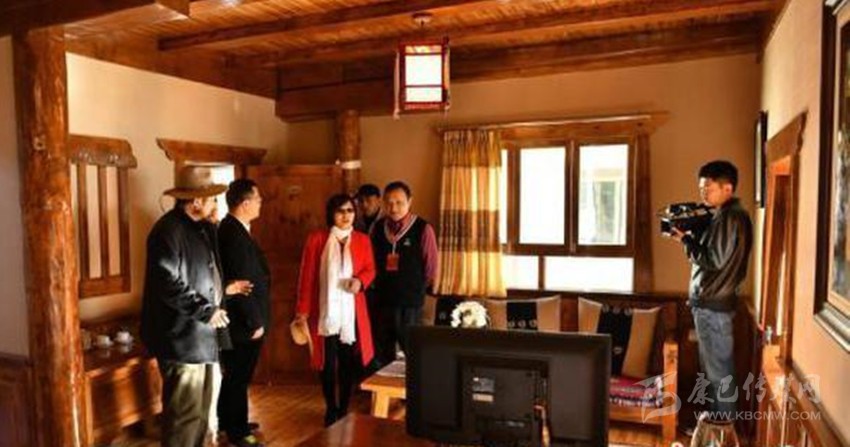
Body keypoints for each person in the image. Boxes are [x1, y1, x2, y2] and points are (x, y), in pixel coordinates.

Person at [141, 166, 251, 447]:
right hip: (182, 340)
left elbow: (206, 275)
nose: (216, 204)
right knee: (184, 419)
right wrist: (206, 311)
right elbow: (167, 282)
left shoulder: (202, 228)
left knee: (204, 418)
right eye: (212, 199)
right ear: (196, 201)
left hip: (205, 339)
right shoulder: (167, 231)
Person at [669, 160, 753, 419]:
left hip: (713, 307)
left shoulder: (730, 217)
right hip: (714, 304)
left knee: (719, 374)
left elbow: (714, 259)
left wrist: (686, 240)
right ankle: (716, 429)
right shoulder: (727, 215)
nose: (703, 193)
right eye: (701, 188)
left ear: (728, 188)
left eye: (708, 188)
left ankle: (724, 430)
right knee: (716, 372)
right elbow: (716, 254)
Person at [294, 194, 377, 426]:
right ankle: (331, 407)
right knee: (327, 362)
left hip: (351, 312)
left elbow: (371, 269)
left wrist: (360, 281)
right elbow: (307, 276)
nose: (345, 215)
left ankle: (344, 407)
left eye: (350, 210)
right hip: (324, 311)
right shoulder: (317, 239)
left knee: (348, 361)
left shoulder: (362, 240)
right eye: (340, 211)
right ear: (331, 214)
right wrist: (302, 310)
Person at [216, 179, 269, 447]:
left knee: (237, 375)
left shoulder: (236, 228)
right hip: (242, 321)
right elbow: (242, 283)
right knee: (238, 375)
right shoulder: (232, 233)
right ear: (245, 203)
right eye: (258, 199)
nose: (260, 203)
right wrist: (254, 321)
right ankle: (237, 431)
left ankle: (229, 420)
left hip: (243, 319)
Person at [371, 181, 438, 362]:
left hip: (409, 303)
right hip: (383, 300)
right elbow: (371, 261)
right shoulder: (378, 228)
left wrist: (417, 289)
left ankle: (414, 382)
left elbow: (431, 268)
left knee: (412, 351)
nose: (393, 208)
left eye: (399, 202)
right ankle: (384, 381)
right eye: (389, 203)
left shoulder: (423, 228)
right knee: (382, 353)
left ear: (410, 201)